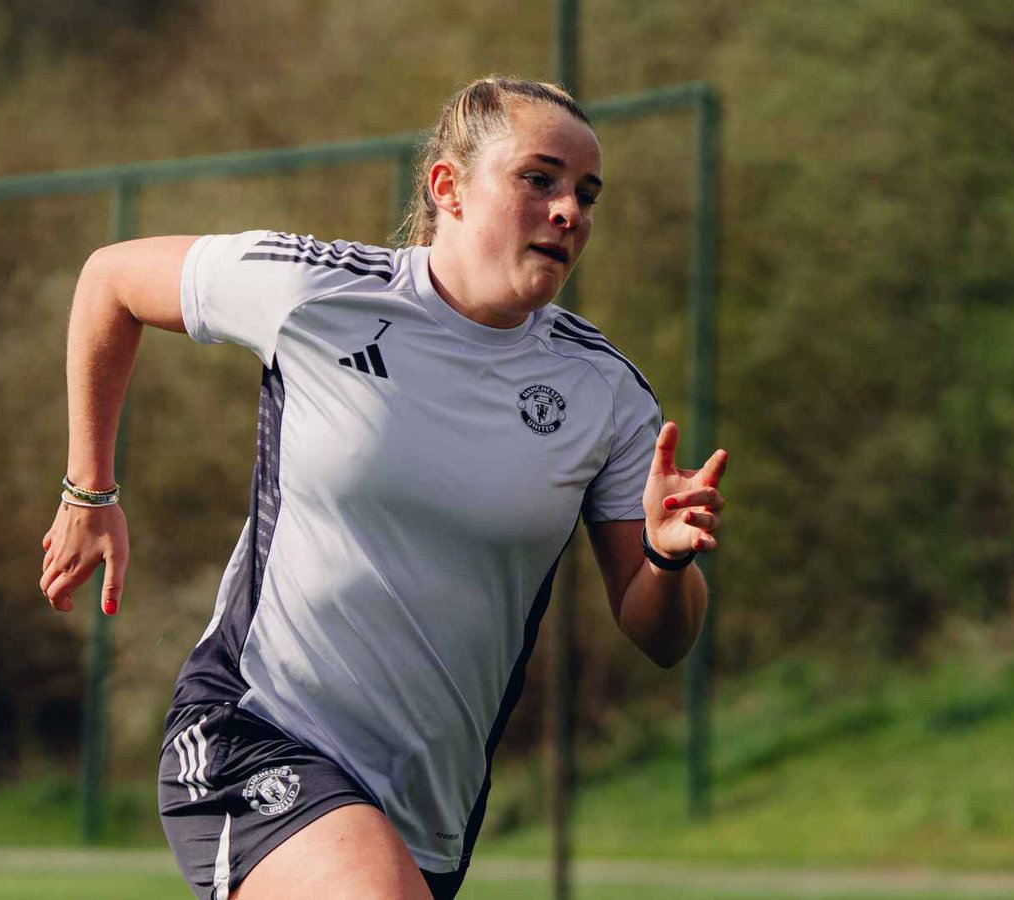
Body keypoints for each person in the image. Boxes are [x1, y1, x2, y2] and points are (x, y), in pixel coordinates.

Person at [38, 76, 727, 900]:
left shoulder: (606, 394)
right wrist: (89, 493)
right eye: (538, 179)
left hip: (430, 807)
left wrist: (667, 559)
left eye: (586, 193)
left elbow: (662, 636)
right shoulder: (319, 292)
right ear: (448, 187)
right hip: (256, 729)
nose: (568, 211)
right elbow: (110, 280)